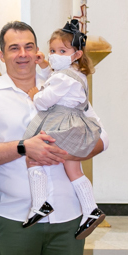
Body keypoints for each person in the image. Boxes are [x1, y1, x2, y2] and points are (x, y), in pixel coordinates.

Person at [0, 22, 107, 255]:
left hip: (69, 217)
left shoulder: (63, 84)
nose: (23, 54)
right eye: (14, 48)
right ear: (1, 54)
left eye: (29, 46)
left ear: (38, 51)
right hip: (16, 217)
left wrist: (69, 152)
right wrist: (23, 147)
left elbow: (103, 138)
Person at [23, 20, 104, 236]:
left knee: (33, 156)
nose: (54, 55)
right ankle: (91, 209)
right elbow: (56, 76)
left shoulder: (62, 79)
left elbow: (44, 101)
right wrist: (43, 66)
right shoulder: (75, 74)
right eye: (52, 50)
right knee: (73, 169)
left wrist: (35, 95)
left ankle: (40, 204)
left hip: (62, 123)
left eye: (61, 50)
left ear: (76, 54)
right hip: (74, 124)